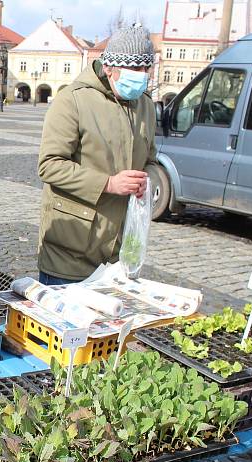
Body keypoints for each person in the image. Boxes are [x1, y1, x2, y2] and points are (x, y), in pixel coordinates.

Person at [36, 23, 157, 286]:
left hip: (118, 251)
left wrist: (147, 180)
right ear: (110, 67)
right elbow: (50, 165)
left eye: (146, 68)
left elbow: (151, 160)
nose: (142, 75)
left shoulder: (146, 106)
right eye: (135, 68)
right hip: (70, 252)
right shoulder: (73, 100)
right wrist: (109, 183)